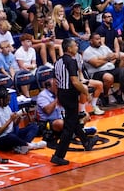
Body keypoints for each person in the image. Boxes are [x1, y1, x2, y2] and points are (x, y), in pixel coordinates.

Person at [51, 38, 97, 166]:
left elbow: (55, 82)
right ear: (69, 49)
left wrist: (57, 97)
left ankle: (86, 142)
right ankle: (58, 155)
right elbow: (75, 81)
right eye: (75, 46)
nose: (77, 47)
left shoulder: (57, 61)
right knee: (69, 127)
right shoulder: (71, 61)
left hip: (61, 92)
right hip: (70, 94)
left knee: (73, 119)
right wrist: (86, 93)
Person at [0, 88, 45, 154]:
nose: (9, 102)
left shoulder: (7, 108)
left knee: (34, 126)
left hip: (12, 134)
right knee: (11, 137)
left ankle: (22, 146)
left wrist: (19, 117)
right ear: (1, 100)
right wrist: (10, 120)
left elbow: (14, 124)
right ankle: (29, 145)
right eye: (7, 101)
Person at [82, 33, 124, 106]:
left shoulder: (104, 48)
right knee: (109, 77)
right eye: (97, 39)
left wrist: (101, 59)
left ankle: (119, 93)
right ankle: (104, 96)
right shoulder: (87, 52)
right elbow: (96, 64)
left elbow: (114, 56)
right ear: (91, 41)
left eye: (99, 39)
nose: (99, 41)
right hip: (96, 72)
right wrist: (107, 58)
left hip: (110, 68)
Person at [36, 78, 65, 147]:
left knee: (83, 116)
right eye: (55, 86)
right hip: (48, 123)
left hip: (61, 117)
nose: (58, 87)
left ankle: (74, 131)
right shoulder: (42, 96)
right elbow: (48, 111)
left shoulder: (60, 92)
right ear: (49, 87)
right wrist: (57, 98)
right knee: (61, 123)